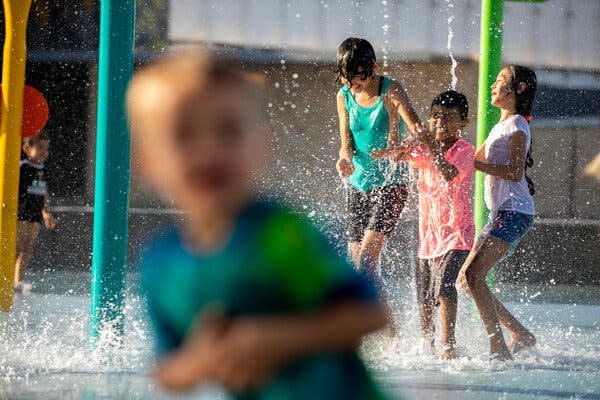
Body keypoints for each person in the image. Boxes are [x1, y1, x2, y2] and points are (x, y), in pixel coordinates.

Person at [128, 51, 390, 399]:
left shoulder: (282, 233)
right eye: (183, 134)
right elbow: (168, 373)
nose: (209, 150)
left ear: (262, 147)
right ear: (148, 163)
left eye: (228, 131)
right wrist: (202, 359)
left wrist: (272, 340)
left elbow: (370, 314)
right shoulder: (162, 263)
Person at [374, 90, 474, 359]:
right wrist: (394, 121)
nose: (439, 123)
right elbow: (393, 155)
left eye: (448, 118)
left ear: (463, 123)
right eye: (435, 117)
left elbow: (449, 173)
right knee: (424, 298)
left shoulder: (464, 150)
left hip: (457, 235)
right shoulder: (423, 147)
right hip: (429, 236)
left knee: (444, 288)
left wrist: (430, 144)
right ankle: (427, 345)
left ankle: (448, 345)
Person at [457, 65, 538, 360]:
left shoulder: (517, 126)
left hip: (515, 211)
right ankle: (521, 334)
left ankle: (498, 347)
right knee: (466, 281)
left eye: (500, 81)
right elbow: (471, 157)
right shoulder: (498, 126)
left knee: (475, 275)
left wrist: (474, 165)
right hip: (502, 212)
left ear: (518, 89)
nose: (493, 85)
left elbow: (515, 173)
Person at [334, 37, 422, 290]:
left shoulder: (391, 89)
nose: (352, 85)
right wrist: (344, 160)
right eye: (346, 78)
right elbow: (346, 144)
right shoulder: (344, 96)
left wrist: (403, 144)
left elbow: (417, 129)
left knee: (366, 263)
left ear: (373, 67)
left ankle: (386, 332)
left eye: (358, 78)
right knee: (358, 270)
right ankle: (387, 331)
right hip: (357, 185)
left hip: (391, 184)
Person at [15, 131, 56, 292]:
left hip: (35, 213)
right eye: (40, 148)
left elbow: (44, 193)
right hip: (21, 212)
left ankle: (17, 281)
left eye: (46, 149)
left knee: (27, 248)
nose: (44, 153)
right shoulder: (22, 167)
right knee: (17, 246)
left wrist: (47, 214)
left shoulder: (44, 169)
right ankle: (4, 276)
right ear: (26, 148)